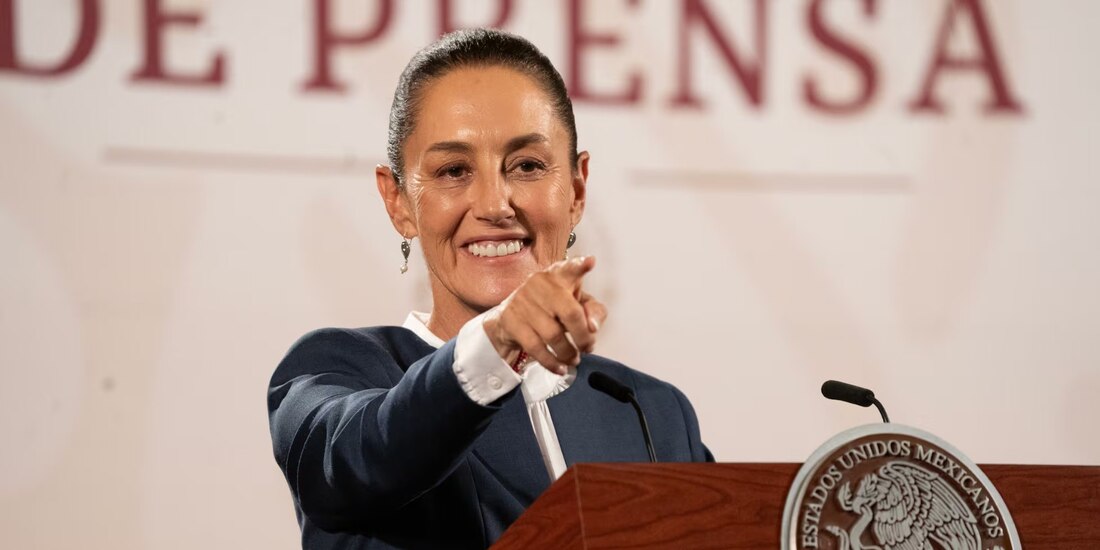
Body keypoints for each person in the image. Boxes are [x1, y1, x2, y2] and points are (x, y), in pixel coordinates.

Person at [267, 28, 712, 549]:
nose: (496, 204)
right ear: (398, 203)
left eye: (527, 166)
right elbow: (355, 465)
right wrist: (498, 340)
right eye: (453, 171)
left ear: (576, 189)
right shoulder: (335, 370)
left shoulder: (650, 411)